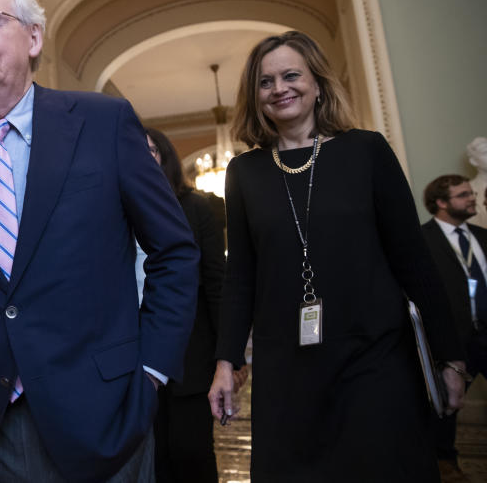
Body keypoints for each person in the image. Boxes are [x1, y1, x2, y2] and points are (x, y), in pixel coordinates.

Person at [0, 0, 200, 483]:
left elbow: (175, 251)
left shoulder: (103, 123)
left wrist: (150, 372)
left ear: (33, 38)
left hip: (103, 412)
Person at [206, 31, 466, 482]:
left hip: (374, 358)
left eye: (291, 75)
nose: (279, 88)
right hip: (287, 366)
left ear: (318, 83)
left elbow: (414, 260)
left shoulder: (366, 151)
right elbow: (240, 277)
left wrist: (451, 357)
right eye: (265, 82)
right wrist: (227, 361)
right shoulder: (244, 171)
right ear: (255, 95)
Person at [144, 128, 224, 483]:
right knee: (153, 459)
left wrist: (228, 355)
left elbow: (217, 282)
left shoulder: (197, 207)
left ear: (166, 157)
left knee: (192, 454)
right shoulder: (116, 208)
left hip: (192, 355)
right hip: (137, 358)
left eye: (150, 151)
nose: (142, 157)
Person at [421, 175, 487, 483]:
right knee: (446, 405)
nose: (472, 198)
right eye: (463, 195)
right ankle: (445, 463)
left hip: (486, 333)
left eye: (471, 194)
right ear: (441, 202)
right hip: (452, 337)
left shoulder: (482, 237)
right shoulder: (422, 239)